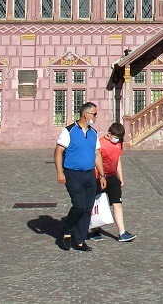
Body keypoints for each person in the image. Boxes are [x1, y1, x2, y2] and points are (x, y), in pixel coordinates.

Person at [54, 102, 104, 252]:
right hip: (73, 174)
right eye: (94, 114)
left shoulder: (93, 133)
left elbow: (97, 154)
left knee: (87, 208)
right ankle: (67, 229)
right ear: (86, 115)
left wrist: (102, 174)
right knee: (79, 205)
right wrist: (59, 172)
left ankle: (81, 240)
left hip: (89, 174)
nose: (96, 117)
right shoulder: (68, 131)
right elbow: (58, 152)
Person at [93, 122, 136, 243]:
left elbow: (118, 160)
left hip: (112, 177)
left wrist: (120, 177)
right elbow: (95, 160)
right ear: (109, 134)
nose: (117, 140)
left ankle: (122, 232)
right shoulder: (100, 143)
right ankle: (95, 230)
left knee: (117, 203)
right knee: (98, 204)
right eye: (116, 137)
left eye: (119, 138)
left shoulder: (118, 144)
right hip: (99, 177)